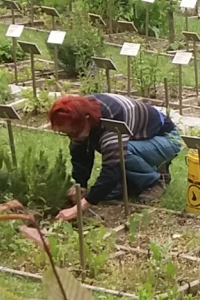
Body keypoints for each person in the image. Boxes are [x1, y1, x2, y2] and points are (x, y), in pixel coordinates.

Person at [47, 93, 181, 222]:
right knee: (106, 192)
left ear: (86, 119)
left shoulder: (112, 119)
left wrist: (79, 208)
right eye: (67, 134)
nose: (72, 137)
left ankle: (155, 181)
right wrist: (80, 185)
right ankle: (135, 181)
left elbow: (112, 167)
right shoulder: (80, 115)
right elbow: (80, 153)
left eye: (73, 132)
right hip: (140, 138)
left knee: (122, 152)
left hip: (167, 139)